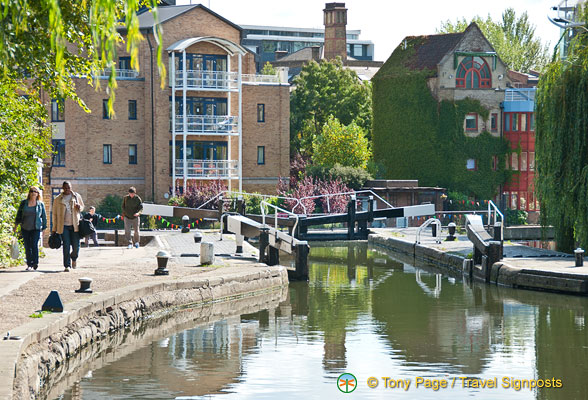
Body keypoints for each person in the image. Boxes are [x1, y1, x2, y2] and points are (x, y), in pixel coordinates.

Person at [52, 181, 84, 272]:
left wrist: (79, 207)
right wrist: (54, 229)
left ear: (71, 187)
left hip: (75, 225)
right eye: (65, 188)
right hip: (64, 226)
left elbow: (82, 206)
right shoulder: (57, 199)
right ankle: (67, 265)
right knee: (66, 246)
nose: (67, 189)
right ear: (62, 188)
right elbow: (54, 214)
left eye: (69, 187)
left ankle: (73, 258)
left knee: (76, 246)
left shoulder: (76, 196)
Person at [14, 186, 47, 271]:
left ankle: (35, 263)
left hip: (35, 228)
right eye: (32, 191)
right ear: (29, 193)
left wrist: (44, 228)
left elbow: (44, 217)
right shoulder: (24, 203)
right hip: (25, 228)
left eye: (35, 192)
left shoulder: (40, 204)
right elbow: (19, 214)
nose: (33, 193)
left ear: (37, 194)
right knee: (27, 246)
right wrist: (16, 225)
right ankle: (29, 264)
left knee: (34, 245)